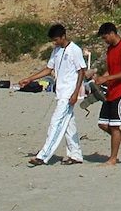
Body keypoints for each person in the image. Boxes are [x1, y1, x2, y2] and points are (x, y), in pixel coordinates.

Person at [19, 23, 87, 166]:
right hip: (60, 92)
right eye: (53, 40)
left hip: (68, 94)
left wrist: (75, 93)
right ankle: (76, 155)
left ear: (63, 36)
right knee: (69, 125)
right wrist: (30, 78)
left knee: (55, 124)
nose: (54, 43)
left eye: (56, 40)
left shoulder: (75, 50)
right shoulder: (56, 50)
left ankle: (43, 156)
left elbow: (82, 71)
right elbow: (49, 69)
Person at [93, 21, 121, 166]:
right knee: (102, 124)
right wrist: (102, 78)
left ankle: (113, 159)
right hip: (112, 91)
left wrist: (107, 78)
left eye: (105, 37)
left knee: (114, 126)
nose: (104, 40)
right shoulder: (110, 50)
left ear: (112, 33)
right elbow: (112, 70)